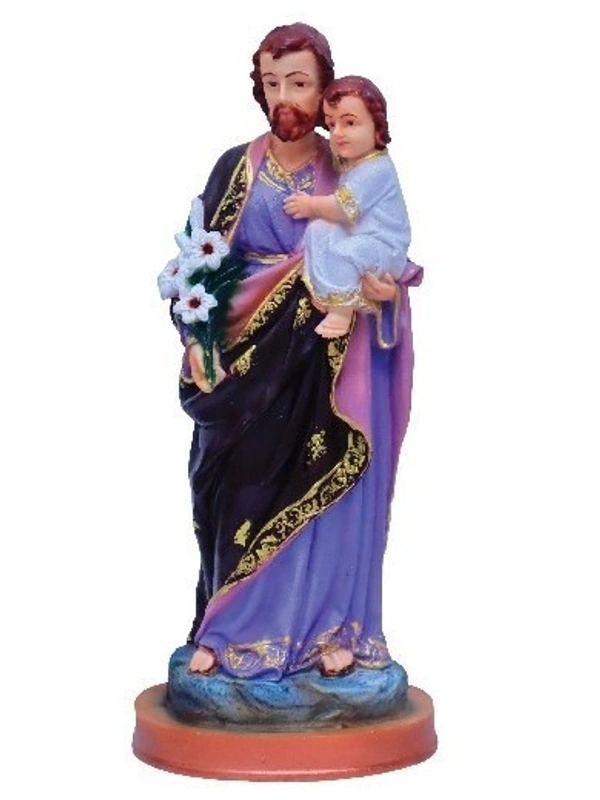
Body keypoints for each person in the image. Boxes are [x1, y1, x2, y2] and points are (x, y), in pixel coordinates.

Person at [171, 22, 423, 679]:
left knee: (331, 494)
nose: (285, 97)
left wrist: (385, 294)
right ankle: (226, 631)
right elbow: (197, 264)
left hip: (330, 365)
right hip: (248, 366)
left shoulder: (352, 168)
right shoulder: (237, 168)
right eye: (273, 82)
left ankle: (325, 634)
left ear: (324, 90)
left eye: (300, 83)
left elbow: (388, 254)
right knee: (237, 490)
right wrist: (196, 336)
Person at [284, 76, 411, 339]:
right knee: (318, 231)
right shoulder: (355, 163)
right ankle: (326, 291)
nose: (337, 133)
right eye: (331, 125)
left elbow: (342, 208)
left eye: (349, 123)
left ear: (377, 126)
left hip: (384, 246)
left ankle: (341, 311)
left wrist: (310, 204)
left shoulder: (377, 168)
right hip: (360, 236)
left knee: (344, 252)